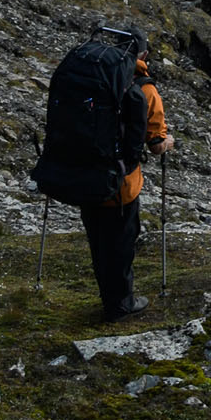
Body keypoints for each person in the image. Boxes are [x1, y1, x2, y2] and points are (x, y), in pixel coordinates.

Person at [77, 31, 173, 322]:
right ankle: (120, 305)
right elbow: (156, 145)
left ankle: (109, 297)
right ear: (142, 55)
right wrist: (169, 142)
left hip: (83, 174)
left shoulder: (91, 76)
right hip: (121, 184)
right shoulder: (144, 89)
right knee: (121, 242)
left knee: (98, 239)